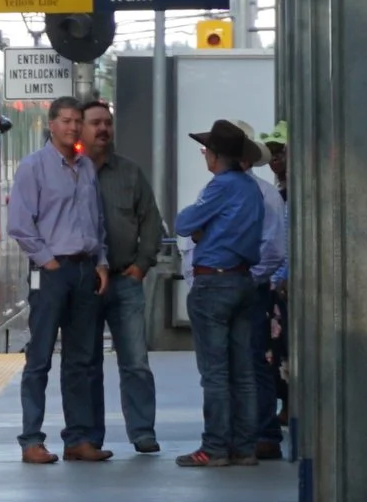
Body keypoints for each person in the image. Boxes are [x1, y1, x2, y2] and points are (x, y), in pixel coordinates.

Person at [6, 95, 111, 464]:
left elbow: (95, 220)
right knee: (39, 357)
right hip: (51, 273)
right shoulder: (33, 167)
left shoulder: (86, 168)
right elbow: (20, 224)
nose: (71, 127)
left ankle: (78, 439)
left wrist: (101, 262)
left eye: (75, 121)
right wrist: (47, 262)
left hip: (85, 269)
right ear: (51, 125)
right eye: (64, 120)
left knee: (81, 360)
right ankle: (31, 439)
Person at [172, 119, 269, 468]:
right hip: (244, 281)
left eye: (205, 151)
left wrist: (203, 227)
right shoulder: (252, 188)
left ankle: (213, 447)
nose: (204, 157)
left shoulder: (221, 186)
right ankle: (243, 447)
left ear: (215, 156)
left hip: (214, 283)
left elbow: (184, 223)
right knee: (243, 372)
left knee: (214, 373)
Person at [84, 98, 167, 454]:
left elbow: (151, 220)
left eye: (108, 122)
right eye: (95, 123)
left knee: (135, 361)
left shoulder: (130, 173)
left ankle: (143, 432)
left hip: (124, 281)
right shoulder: (72, 171)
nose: (103, 129)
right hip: (84, 284)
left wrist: (141, 265)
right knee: (86, 363)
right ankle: (89, 437)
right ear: (81, 129)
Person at [252, 125, 291, 459]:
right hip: (272, 282)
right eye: (272, 153)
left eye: (281, 152)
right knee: (272, 352)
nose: (276, 159)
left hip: (280, 283)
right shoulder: (275, 191)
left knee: (276, 352)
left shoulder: (288, 193)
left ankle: (284, 408)